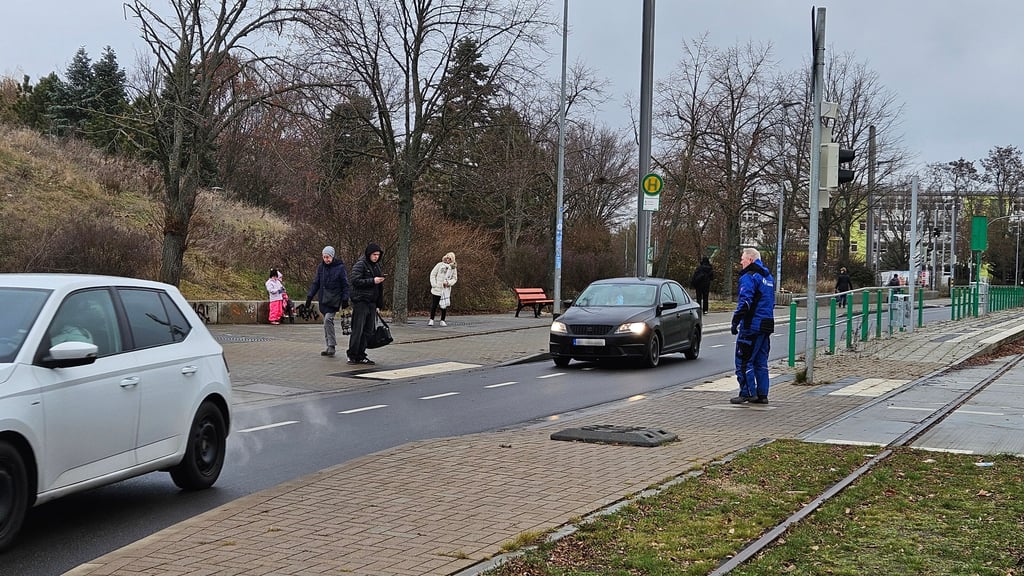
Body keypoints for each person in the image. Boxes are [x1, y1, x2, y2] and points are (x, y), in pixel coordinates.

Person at [730, 247, 776, 405]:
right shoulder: (768, 277)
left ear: (750, 259)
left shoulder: (749, 276)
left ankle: (748, 393)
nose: (741, 261)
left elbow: (745, 301)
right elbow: (771, 302)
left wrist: (736, 321)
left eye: (743, 258)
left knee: (743, 360)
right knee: (760, 361)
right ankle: (762, 394)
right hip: (766, 324)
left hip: (752, 325)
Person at [305, 246, 350, 357]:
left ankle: (331, 346)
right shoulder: (321, 267)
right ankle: (329, 345)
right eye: (324, 257)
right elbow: (316, 283)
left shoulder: (340, 268)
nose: (326, 259)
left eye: (328, 257)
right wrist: (310, 296)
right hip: (323, 299)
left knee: (328, 320)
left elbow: (345, 285)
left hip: (334, 299)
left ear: (332, 256)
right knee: (326, 323)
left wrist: (345, 298)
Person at [347, 242, 385, 365]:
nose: (376, 257)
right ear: (369, 254)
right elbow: (355, 280)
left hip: (372, 302)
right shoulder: (361, 265)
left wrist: (379, 304)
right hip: (361, 301)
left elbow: (380, 288)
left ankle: (361, 354)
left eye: (378, 255)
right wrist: (372, 281)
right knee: (358, 329)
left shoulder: (376, 266)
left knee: (368, 330)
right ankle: (352, 354)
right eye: (374, 255)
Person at [428, 252, 458, 327]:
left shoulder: (453, 268)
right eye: (447, 258)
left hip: (445, 289)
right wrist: (434, 284)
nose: (448, 259)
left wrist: (448, 283)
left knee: (444, 306)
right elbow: (433, 274)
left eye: (449, 258)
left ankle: (442, 320)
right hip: (437, 288)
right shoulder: (439, 265)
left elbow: (454, 278)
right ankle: (431, 319)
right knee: (434, 305)